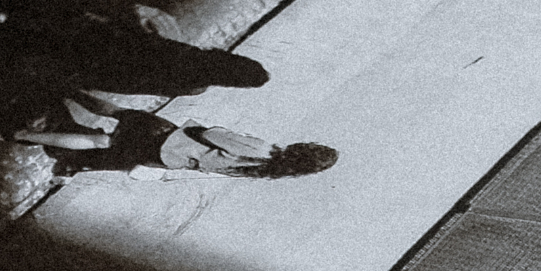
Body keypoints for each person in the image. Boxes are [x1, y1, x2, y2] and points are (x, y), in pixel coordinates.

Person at [17, 93, 339, 180]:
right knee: (101, 143)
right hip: (167, 159)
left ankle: (68, 92)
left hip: (167, 138)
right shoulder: (265, 171)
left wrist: (210, 131)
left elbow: (212, 134)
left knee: (116, 116)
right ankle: (27, 136)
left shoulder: (266, 151)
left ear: (304, 148)